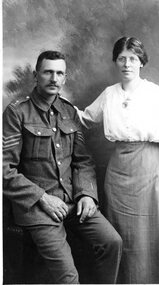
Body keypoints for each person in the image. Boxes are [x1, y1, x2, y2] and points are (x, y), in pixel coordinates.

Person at [3, 50, 123, 284]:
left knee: (112, 243)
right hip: (38, 209)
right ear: (36, 75)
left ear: (65, 78)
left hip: (72, 203)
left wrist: (87, 195)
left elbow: (83, 160)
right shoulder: (17, 112)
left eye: (59, 73)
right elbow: (4, 169)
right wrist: (42, 198)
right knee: (69, 278)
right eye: (48, 72)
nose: (54, 79)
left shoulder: (69, 112)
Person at [76, 36, 159, 284]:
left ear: (141, 62)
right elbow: (85, 118)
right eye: (122, 58)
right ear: (115, 62)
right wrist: (57, 103)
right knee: (121, 238)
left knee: (148, 238)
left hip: (150, 171)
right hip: (118, 174)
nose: (127, 64)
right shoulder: (109, 94)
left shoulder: (156, 94)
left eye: (133, 58)